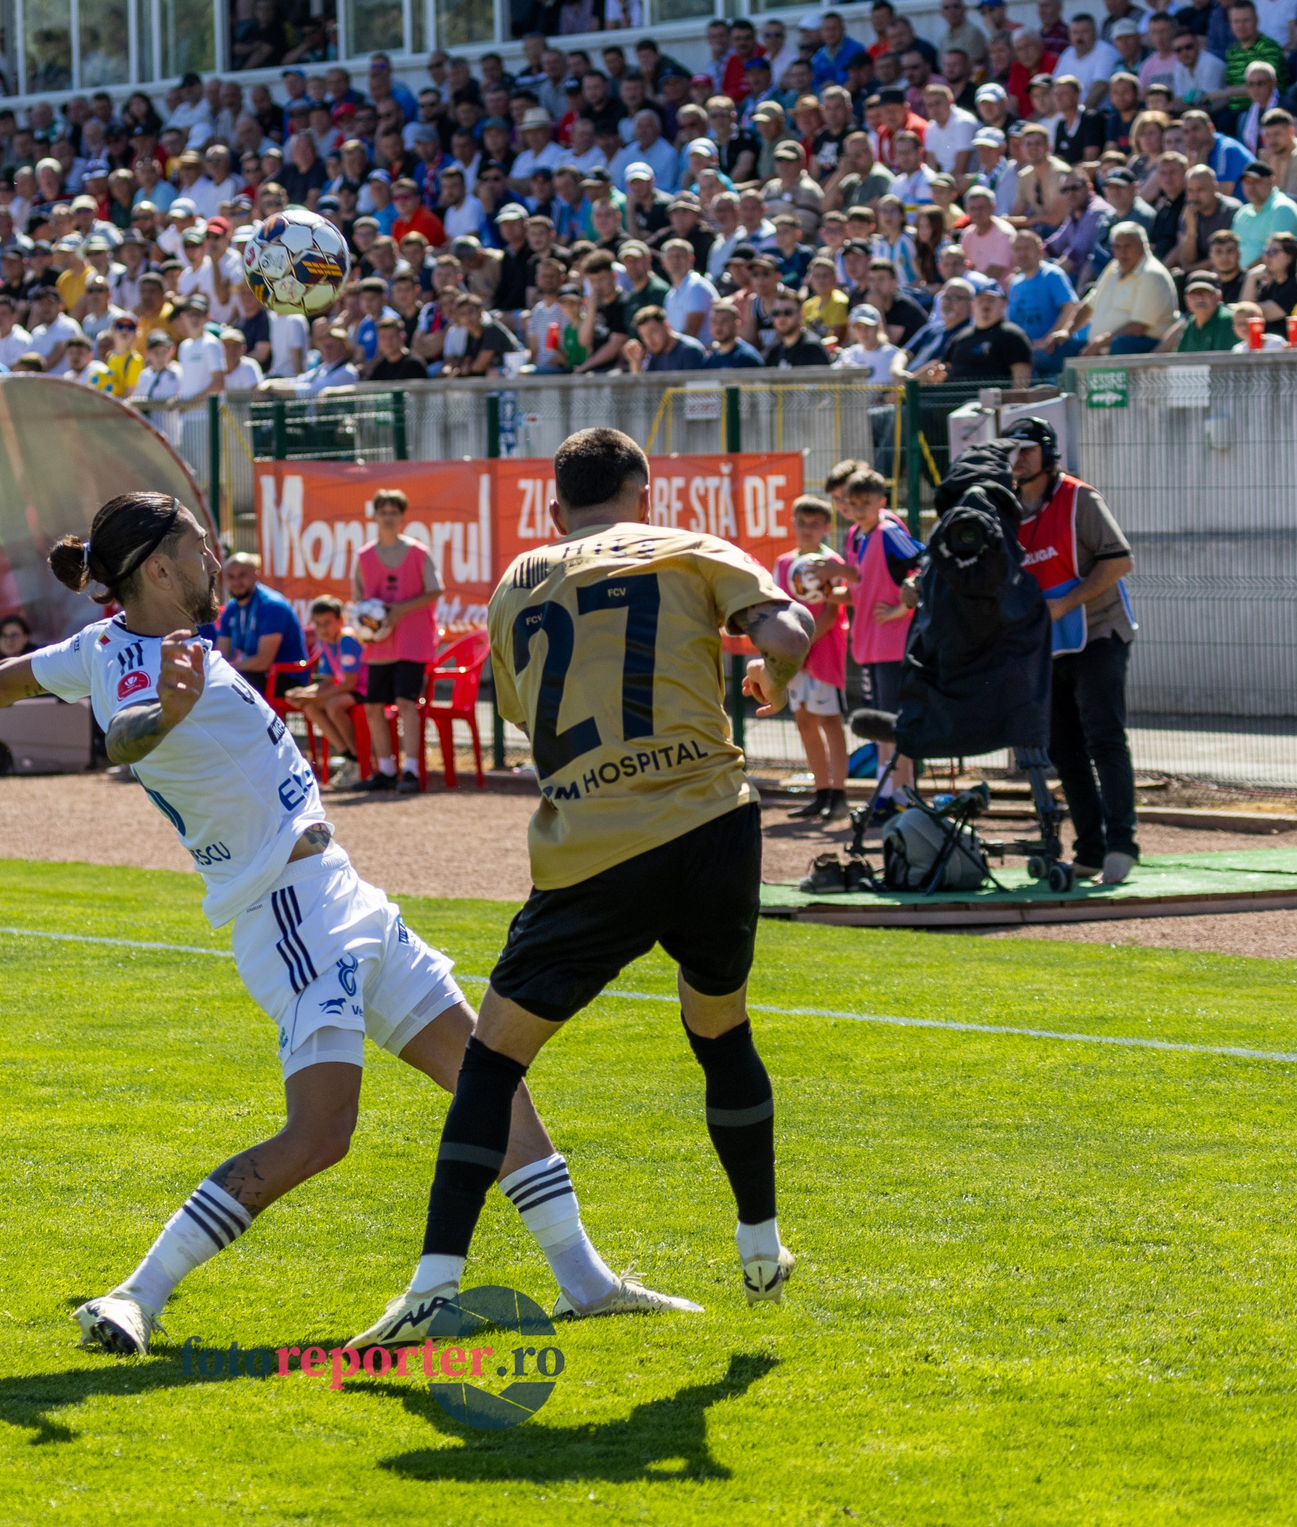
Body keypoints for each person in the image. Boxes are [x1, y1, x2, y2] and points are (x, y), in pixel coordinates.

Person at [0, 492, 674, 1357]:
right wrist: (161, 716)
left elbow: (0, 679)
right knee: (321, 1133)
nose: (217, 560)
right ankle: (137, 1294)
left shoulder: (103, 647)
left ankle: (584, 1279)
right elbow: (129, 734)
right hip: (287, 911)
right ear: (161, 569)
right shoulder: (135, 665)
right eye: (201, 548)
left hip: (342, 891)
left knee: (488, 1072)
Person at [348, 428, 815, 1351]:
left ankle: (434, 1283)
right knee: (718, 1026)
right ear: (642, 494)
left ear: (554, 510)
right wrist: (775, 676)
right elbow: (788, 627)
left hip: (592, 846)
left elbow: (522, 712)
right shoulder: (686, 546)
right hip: (712, 825)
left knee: (493, 1063)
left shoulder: (519, 580)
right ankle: (760, 1244)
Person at [1005, 419, 1140, 882]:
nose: (1017, 458)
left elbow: (1120, 561)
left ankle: (1123, 844)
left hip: (1099, 632)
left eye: (1025, 450)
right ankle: (1090, 850)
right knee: (1063, 749)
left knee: (1104, 737)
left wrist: (1066, 601)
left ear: (1046, 453)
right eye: (1011, 450)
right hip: (1047, 645)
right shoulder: (1003, 508)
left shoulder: (1080, 498)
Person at [838, 466, 922, 822]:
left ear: (882, 502)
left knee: (895, 725)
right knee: (881, 727)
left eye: (865, 503)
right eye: (852, 503)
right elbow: (862, 585)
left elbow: (924, 564)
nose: (857, 509)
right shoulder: (858, 535)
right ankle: (886, 796)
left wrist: (903, 606)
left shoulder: (888, 532)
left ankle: (904, 798)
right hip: (869, 647)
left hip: (893, 647)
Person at [350, 488, 440, 793]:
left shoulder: (418, 552)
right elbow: (360, 600)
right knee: (373, 706)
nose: (388, 517)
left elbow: (435, 590)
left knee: (406, 703)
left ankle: (411, 770)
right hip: (379, 644)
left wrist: (400, 609)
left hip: (413, 641)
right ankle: (386, 770)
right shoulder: (364, 556)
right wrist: (371, 622)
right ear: (374, 516)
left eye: (394, 512)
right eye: (383, 512)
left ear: (403, 517)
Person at [773, 492, 856, 818]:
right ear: (793, 523)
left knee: (830, 721)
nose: (807, 529)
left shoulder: (831, 562)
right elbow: (781, 606)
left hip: (822, 649)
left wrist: (804, 642)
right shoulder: (783, 563)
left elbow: (832, 612)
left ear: (826, 526)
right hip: (795, 652)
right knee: (804, 721)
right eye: (802, 523)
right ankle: (820, 793)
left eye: (814, 524)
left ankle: (840, 795)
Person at [283, 595, 366, 786]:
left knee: (333, 705)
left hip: (366, 690)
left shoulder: (347, 640)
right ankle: (348, 757)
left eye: (327, 623)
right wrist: (303, 693)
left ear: (341, 621)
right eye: (318, 624)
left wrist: (314, 695)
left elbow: (350, 684)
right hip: (348, 691)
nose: (323, 629)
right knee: (308, 705)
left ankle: (358, 760)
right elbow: (327, 681)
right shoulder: (327, 643)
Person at [205, 552, 307, 697]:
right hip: (256, 674)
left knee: (231, 686)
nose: (236, 582)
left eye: (242, 575)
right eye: (231, 577)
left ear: (256, 575)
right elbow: (222, 654)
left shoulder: (271, 606)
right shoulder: (232, 609)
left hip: (285, 676)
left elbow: (263, 661)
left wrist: (228, 669)